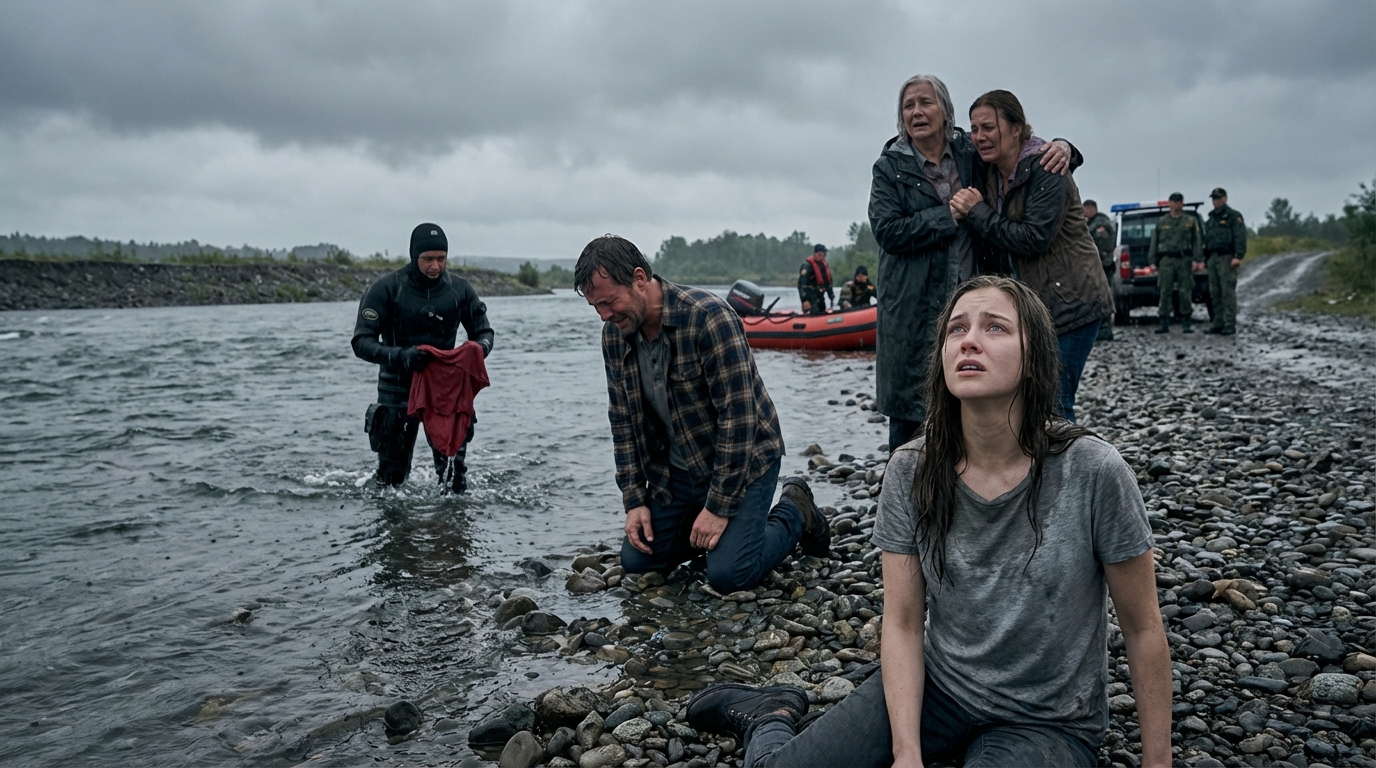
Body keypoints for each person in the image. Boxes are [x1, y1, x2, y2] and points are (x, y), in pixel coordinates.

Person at [685, 276, 1171, 768]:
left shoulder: (1093, 471)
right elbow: (901, 623)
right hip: (940, 689)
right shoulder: (911, 469)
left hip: (1046, 721)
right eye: (957, 328)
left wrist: (1158, 762)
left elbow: (1143, 628)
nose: (969, 340)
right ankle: (770, 714)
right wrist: (907, 752)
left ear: (1034, 357)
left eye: (995, 327)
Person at [574, 235, 830, 593]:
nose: (604, 316)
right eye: (595, 307)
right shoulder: (615, 335)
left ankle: (795, 510)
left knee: (730, 575)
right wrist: (634, 501)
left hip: (746, 461)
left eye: (609, 302)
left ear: (639, 279)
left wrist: (719, 507)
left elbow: (739, 420)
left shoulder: (709, 318)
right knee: (637, 560)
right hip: (680, 472)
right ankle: (714, 535)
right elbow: (622, 421)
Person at [869, 74, 1077, 451]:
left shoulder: (970, 151)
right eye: (908, 106)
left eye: (926, 102)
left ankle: (972, 481)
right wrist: (947, 216)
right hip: (911, 307)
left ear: (945, 111)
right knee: (910, 416)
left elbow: (1021, 153)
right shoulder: (889, 167)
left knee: (973, 403)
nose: (917, 112)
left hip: (973, 301)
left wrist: (1066, 148)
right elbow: (887, 231)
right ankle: (904, 486)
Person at [948, 90, 1113, 422]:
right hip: (1035, 307)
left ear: (1016, 129)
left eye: (989, 127)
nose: (979, 137)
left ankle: (1068, 457)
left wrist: (976, 211)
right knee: (1029, 400)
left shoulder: (1047, 167)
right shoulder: (990, 169)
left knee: (1054, 401)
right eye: (974, 129)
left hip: (1072, 303)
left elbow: (1033, 239)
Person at [352, 223, 493, 492]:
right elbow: (361, 342)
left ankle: (450, 518)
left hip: (445, 392)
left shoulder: (459, 290)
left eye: (441, 258)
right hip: (396, 389)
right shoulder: (386, 289)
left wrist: (476, 351)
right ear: (413, 255)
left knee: (454, 482)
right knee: (391, 482)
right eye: (427, 259)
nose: (435, 266)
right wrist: (401, 356)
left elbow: (484, 332)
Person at [1147, 192, 1202, 334]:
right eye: (1173, 202)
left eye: (1179, 202)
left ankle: (1186, 321)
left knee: (1185, 291)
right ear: (1169, 204)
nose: (1176, 205)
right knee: (1165, 291)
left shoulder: (1190, 221)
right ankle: (1164, 321)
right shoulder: (1162, 222)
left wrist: (1197, 260)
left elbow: (1197, 241)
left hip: (1184, 260)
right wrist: (1152, 261)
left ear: (1183, 203)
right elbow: (1154, 242)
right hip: (1166, 261)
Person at [1202, 187, 1247, 335]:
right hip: (1213, 258)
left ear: (1225, 199)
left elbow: (1240, 237)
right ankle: (1218, 322)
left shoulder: (1233, 216)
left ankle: (1229, 324)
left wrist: (1237, 256)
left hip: (1226, 257)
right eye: (1214, 198)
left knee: (1227, 292)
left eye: (1218, 198)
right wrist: (1204, 259)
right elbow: (1207, 240)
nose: (1216, 201)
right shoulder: (1211, 219)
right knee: (1215, 293)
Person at [1084, 199, 1118, 341]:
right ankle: (1101, 328)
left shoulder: (1100, 223)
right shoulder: (1092, 223)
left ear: (1092, 209)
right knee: (1096, 298)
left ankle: (1105, 328)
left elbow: (1102, 244)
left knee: (1102, 297)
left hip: (1102, 266)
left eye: (1085, 209)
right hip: (1096, 266)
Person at [797, 244, 834, 315]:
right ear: (814, 254)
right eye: (819, 254)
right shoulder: (807, 266)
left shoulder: (824, 266)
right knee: (814, 312)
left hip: (820, 296)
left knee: (822, 311)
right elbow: (801, 284)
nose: (821, 256)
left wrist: (831, 295)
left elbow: (828, 283)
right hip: (811, 296)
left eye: (823, 254)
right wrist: (805, 300)